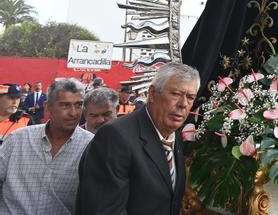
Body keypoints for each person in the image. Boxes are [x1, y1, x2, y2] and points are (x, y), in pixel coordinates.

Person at [76, 63, 200, 214]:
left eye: (190, 97)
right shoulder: (115, 137)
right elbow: (104, 209)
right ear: (153, 93)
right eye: (175, 94)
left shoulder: (175, 137)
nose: (183, 104)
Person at [0, 78, 92, 215]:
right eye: (65, 105)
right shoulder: (18, 139)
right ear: (48, 107)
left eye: (78, 105)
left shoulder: (91, 146)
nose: (73, 113)